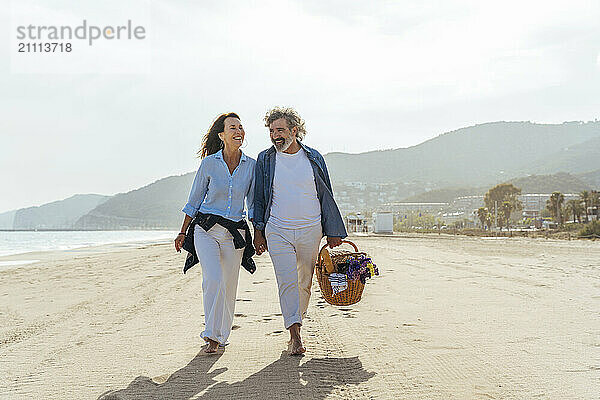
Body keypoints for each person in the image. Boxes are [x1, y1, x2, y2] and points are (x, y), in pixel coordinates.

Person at [253, 107, 347, 355]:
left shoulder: (314, 157)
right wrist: (258, 231)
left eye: (280, 130)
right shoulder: (265, 159)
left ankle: (298, 320)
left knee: (304, 282)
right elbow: (258, 198)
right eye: (271, 131)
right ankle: (294, 334)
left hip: (310, 229)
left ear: (294, 131)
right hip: (277, 229)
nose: (275, 136)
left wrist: (332, 230)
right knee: (286, 281)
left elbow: (326, 194)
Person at [175, 112, 256, 353]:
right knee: (213, 279)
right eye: (232, 127)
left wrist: (260, 233)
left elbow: (252, 205)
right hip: (205, 229)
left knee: (229, 284)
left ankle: (222, 335)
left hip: (234, 233)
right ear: (222, 135)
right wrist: (182, 232)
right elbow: (194, 200)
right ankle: (211, 334)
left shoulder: (251, 166)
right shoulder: (209, 164)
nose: (238, 131)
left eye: (241, 127)